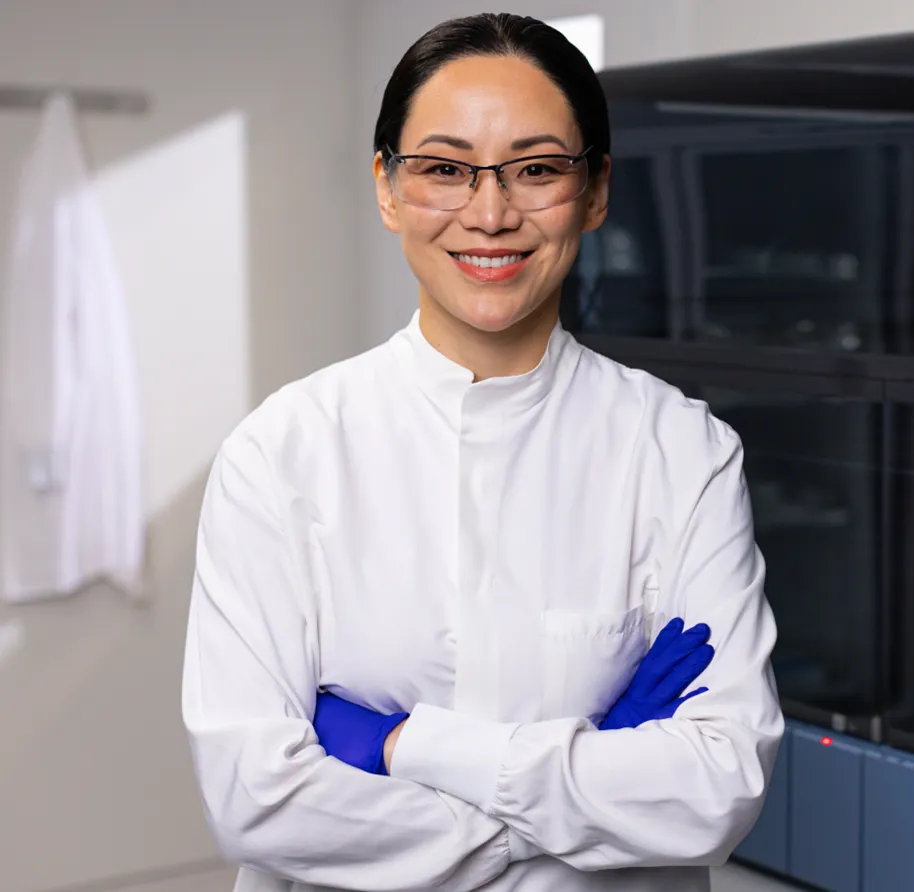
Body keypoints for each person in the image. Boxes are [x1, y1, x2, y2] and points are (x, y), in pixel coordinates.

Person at [180, 12, 784, 892]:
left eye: (537, 170)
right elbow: (253, 799)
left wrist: (401, 745)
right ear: (387, 188)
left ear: (596, 190)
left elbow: (716, 792)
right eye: (444, 169)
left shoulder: (682, 452)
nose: (491, 213)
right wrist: (586, 789)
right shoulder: (283, 454)